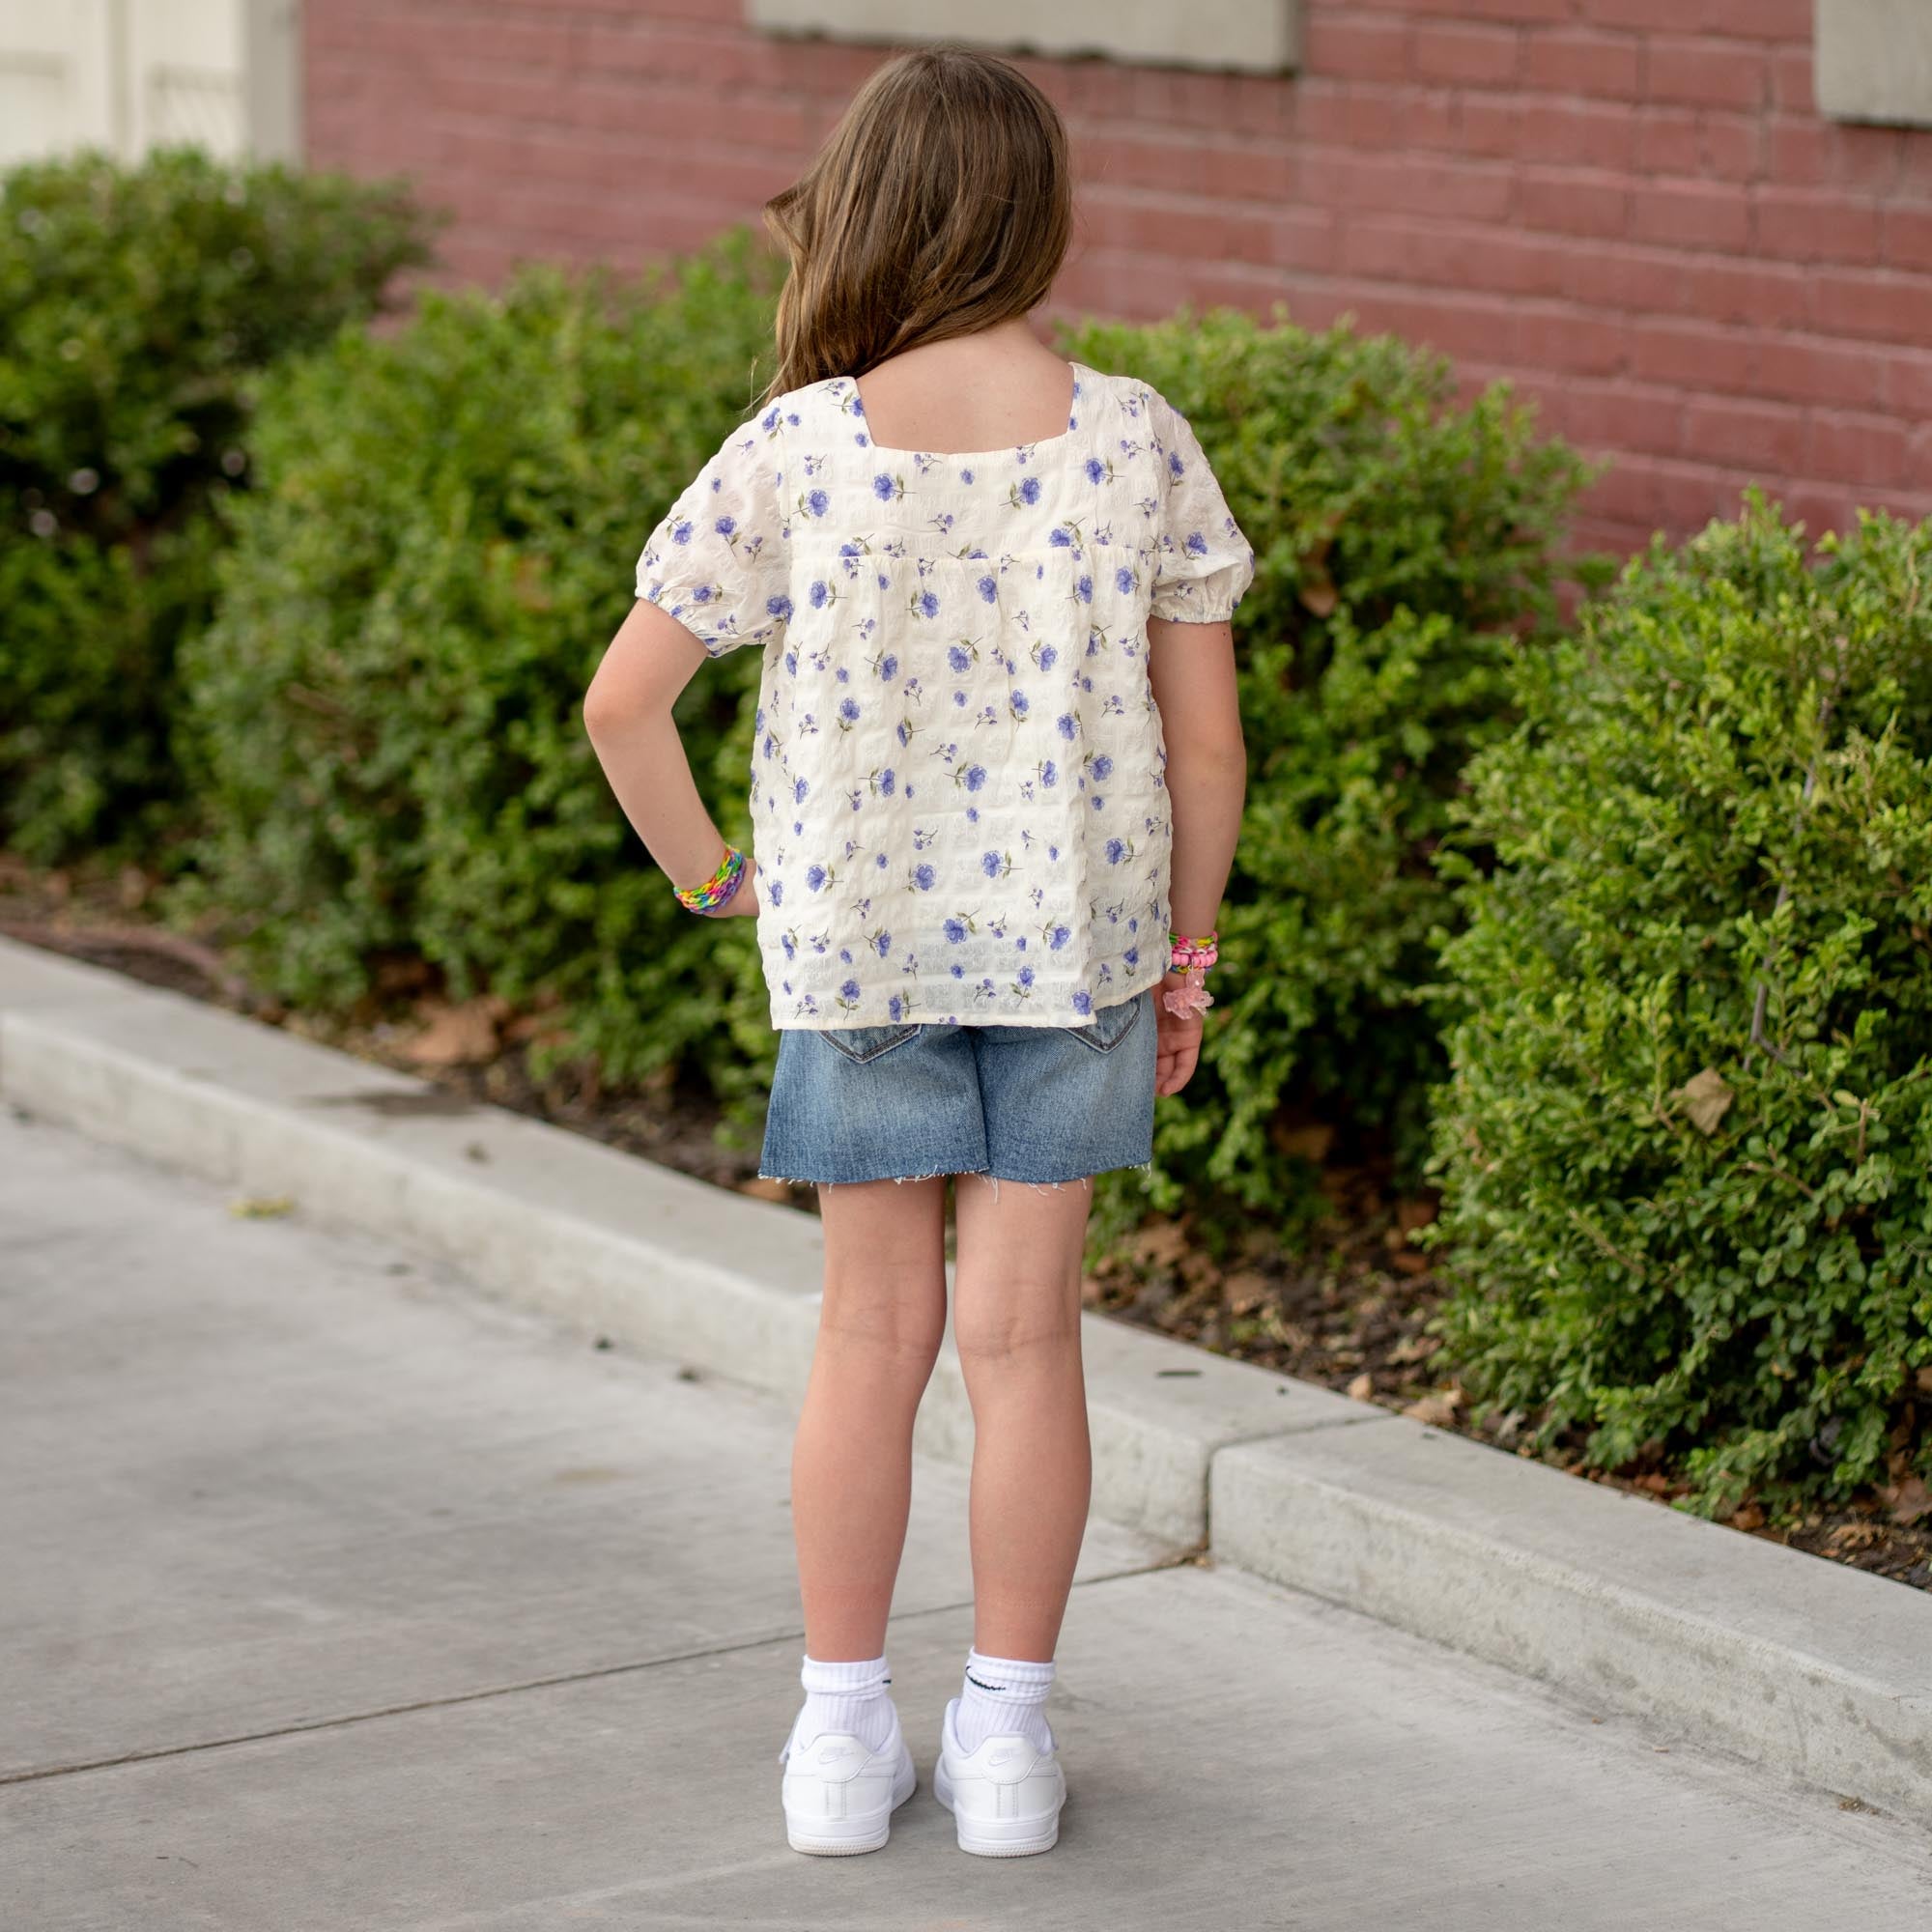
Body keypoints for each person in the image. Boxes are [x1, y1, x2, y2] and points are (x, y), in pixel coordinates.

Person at [582, 42, 1252, 1861]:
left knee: (868, 1337)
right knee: (1026, 1342)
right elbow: (1207, 751)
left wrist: (725, 889)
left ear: (867, 212)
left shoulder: (800, 449)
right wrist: (1186, 959)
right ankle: (1008, 1744)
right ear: (1040, 217)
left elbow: (624, 706)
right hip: (1079, 961)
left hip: (860, 967)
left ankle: (838, 1736)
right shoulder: (1136, 439)